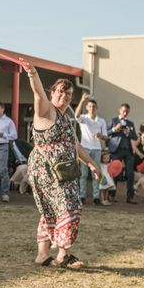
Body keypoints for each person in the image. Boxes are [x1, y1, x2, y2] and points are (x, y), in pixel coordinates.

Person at [24, 64, 101, 269]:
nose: (64, 96)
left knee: (52, 209)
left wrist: (92, 164)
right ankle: (63, 254)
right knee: (69, 206)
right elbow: (38, 93)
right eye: (60, 91)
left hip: (64, 170)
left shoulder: (67, 119)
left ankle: (42, 255)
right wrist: (33, 73)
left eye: (68, 93)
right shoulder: (46, 110)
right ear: (53, 92)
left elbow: (76, 145)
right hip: (46, 170)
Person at [74, 93, 108, 205]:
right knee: (83, 174)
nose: (92, 108)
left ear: (96, 108)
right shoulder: (84, 118)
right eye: (90, 107)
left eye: (93, 107)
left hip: (97, 149)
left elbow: (106, 137)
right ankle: (82, 196)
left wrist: (100, 136)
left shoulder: (101, 120)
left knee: (96, 173)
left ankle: (96, 197)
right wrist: (82, 100)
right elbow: (76, 115)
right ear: (87, 108)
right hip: (85, 148)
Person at [107, 103, 139, 204]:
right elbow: (105, 133)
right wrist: (114, 129)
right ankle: (111, 195)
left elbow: (135, 137)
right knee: (115, 173)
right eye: (124, 111)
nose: (125, 113)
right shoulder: (113, 120)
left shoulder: (130, 123)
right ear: (120, 110)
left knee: (130, 174)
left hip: (128, 150)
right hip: (116, 150)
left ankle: (130, 197)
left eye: (127, 111)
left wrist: (129, 133)